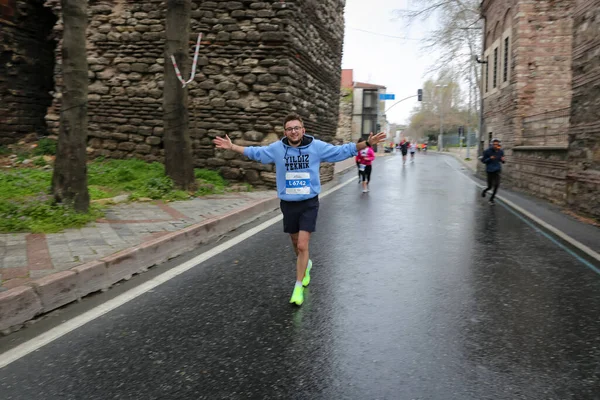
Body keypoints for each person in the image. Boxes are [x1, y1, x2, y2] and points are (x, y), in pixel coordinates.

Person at [213, 113, 386, 306]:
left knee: (303, 245)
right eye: (289, 129)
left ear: (303, 130)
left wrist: (367, 143)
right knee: (296, 244)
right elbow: (256, 152)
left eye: (297, 128)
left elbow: (343, 151)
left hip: (309, 202)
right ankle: (306, 264)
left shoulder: (316, 147)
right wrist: (233, 146)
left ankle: (297, 286)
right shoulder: (278, 149)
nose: (293, 131)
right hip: (288, 203)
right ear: (285, 132)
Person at [481, 139, 506, 205]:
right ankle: (485, 191)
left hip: (497, 170)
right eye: (494, 144)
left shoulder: (500, 151)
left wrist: (503, 160)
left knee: (497, 185)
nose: (495, 146)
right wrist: (490, 158)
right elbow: (483, 161)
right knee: (490, 186)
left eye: (497, 144)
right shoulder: (487, 151)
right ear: (491, 144)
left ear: (498, 145)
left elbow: (502, 161)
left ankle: (491, 199)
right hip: (489, 170)